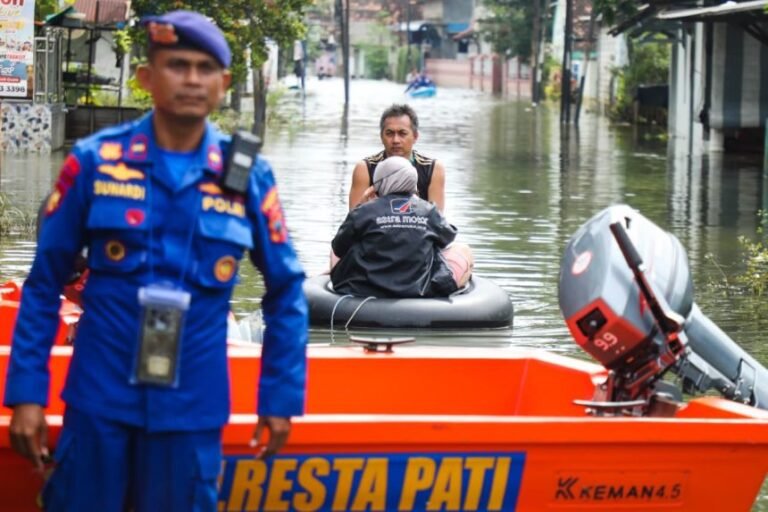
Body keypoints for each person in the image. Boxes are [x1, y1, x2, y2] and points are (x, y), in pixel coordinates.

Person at [4, 10, 308, 511]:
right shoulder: (96, 161)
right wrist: (27, 394)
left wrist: (279, 400)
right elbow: (43, 283)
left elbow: (287, 291)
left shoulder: (248, 177)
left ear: (224, 83)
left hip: (191, 411)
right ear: (147, 78)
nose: (191, 79)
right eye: (177, 65)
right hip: (99, 401)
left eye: (205, 68)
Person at [332, 156, 473, 298]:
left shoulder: (364, 211)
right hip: (419, 290)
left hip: (362, 289)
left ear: (378, 183)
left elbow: (338, 248)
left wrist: (360, 206)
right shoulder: (429, 211)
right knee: (463, 250)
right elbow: (446, 239)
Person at [348, 104, 446, 212]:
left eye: (402, 133)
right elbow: (353, 222)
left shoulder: (433, 169)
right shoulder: (365, 168)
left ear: (415, 136)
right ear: (381, 137)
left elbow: (437, 222)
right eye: (389, 133)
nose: (395, 140)